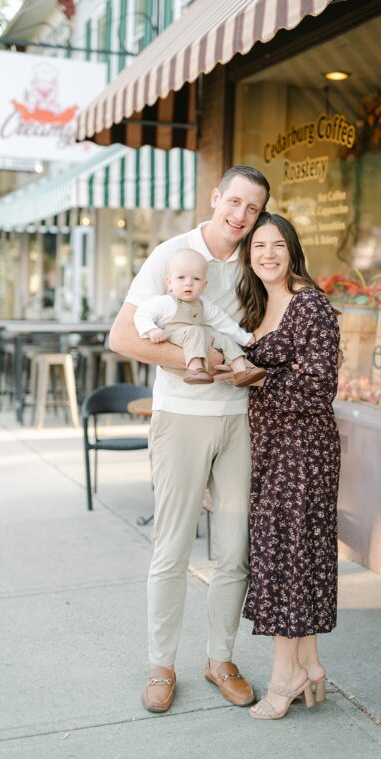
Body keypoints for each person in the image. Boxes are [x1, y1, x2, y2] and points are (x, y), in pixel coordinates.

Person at [109, 166, 271, 713]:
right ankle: (161, 665)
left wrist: (249, 369)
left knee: (233, 550)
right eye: (235, 202)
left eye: (253, 209)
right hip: (181, 415)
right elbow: (123, 336)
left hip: (239, 418)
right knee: (172, 546)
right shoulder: (172, 254)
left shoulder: (257, 260)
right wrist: (198, 362)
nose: (241, 216)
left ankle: (220, 659)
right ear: (216, 197)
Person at [234, 212, 341, 720]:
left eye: (278, 245)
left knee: (287, 558)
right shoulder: (257, 303)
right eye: (259, 246)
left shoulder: (309, 304)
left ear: (292, 250)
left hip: (305, 450)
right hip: (271, 446)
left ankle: (286, 676)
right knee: (290, 553)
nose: (268, 254)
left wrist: (259, 380)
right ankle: (312, 664)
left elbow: (320, 387)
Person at [133, 248, 266, 386]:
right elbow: (142, 314)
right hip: (174, 340)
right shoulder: (165, 302)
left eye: (196, 278)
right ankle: (195, 369)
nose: (188, 283)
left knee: (222, 337)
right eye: (181, 277)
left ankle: (241, 370)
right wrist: (152, 330)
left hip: (196, 339)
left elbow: (222, 321)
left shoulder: (203, 305)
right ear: (169, 282)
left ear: (204, 285)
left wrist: (244, 338)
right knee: (195, 330)